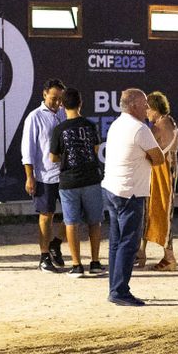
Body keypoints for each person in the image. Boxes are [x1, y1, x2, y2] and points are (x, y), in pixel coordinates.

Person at [101, 89, 165, 306]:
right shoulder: (140, 129)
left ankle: (115, 288)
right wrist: (147, 156)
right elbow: (158, 159)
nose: (148, 108)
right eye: (145, 104)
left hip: (112, 189)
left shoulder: (117, 123)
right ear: (135, 105)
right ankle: (119, 291)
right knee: (128, 243)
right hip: (130, 192)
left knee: (116, 243)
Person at [47, 87, 104, 278]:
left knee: (71, 223)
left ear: (62, 105)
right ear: (81, 103)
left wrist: (67, 155)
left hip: (69, 181)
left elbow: (53, 157)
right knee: (94, 222)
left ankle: (77, 265)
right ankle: (95, 262)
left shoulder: (59, 129)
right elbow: (96, 148)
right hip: (91, 179)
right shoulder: (90, 125)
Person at [21, 79, 67, 272]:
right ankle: (44, 255)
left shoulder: (65, 114)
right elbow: (28, 149)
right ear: (44, 94)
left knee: (73, 214)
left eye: (60, 99)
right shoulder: (34, 117)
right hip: (44, 175)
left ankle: (56, 243)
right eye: (54, 98)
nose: (57, 103)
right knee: (46, 215)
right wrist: (30, 176)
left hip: (66, 174)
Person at [141, 91, 178, 269]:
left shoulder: (162, 125)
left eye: (148, 109)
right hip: (161, 171)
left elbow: (153, 152)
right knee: (151, 210)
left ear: (155, 109)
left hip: (162, 171)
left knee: (161, 211)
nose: (146, 113)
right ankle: (141, 252)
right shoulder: (166, 121)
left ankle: (169, 257)